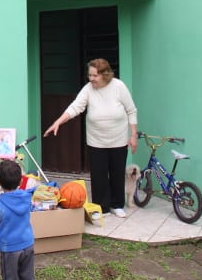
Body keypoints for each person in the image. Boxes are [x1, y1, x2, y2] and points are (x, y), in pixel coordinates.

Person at [44, 58, 138, 219]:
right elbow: (76, 107)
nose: (91, 79)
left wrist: (133, 135)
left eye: (95, 76)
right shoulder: (88, 89)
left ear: (105, 74)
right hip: (96, 141)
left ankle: (117, 205)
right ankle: (102, 207)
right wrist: (58, 121)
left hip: (119, 139)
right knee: (99, 175)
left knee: (116, 173)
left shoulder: (118, 86)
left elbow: (131, 110)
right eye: (90, 75)